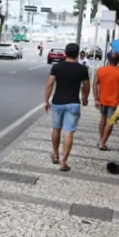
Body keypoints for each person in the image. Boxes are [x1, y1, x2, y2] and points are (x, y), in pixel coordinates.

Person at [44, 42, 91, 171]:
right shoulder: (82, 69)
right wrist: (85, 98)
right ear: (77, 55)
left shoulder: (57, 67)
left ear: (65, 53)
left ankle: (55, 155)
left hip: (58, 102)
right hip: (73, 103)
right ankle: (63, 162)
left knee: (56, 128)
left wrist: (46, 100)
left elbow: (50, 84)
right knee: (69, 131)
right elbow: (86, 86)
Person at [95, 52, 119, 151]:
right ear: (118, 61)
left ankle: (101, 140)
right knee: (110, 122)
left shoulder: (100, 70)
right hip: (114, 101)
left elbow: (95, 84)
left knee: (103, 119)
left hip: (102, 99)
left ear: (108, 60)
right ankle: (103, 143)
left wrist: (96, 98)